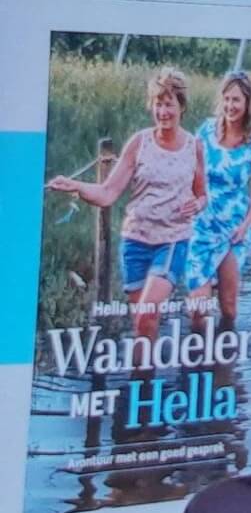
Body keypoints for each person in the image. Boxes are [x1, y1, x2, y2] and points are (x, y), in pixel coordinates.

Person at [48, 67, 206, 346]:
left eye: (169, 104)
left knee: (147, 313)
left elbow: (202, 194)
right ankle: (142, 372)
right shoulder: (139, 143)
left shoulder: (194, 147)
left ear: (181, 106)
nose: (163, 112)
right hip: (135, 242)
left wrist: (198, 204)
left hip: (172, 241)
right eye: (158, 104)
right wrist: (75, 185)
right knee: (142, 326)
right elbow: (107, 193)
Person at [186, 70, 251, 329]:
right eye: (227, 99)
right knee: (198, 310)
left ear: (247, 104)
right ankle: (197, 351)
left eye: (236, 100)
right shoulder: (205, 131)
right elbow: (190, 172)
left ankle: (225, 351)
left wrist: (246, 225)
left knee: (229, 308)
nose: (230, 106)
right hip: (202, 226)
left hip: (233, 228)